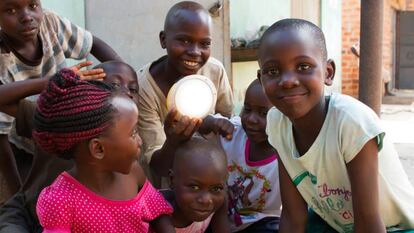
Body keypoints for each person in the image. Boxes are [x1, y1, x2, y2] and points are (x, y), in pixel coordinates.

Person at [258, 18, 414, 233]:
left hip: (395, 228)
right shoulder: (276, 123)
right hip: (336, 223)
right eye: (273, 71)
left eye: (303, 66)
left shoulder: (351, 122)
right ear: (261, 79)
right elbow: (294, 216)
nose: (288, 80)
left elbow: (369, 222)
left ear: (328, 72)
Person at [0, 63, 160, 233]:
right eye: (113, 84)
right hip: (28, 213)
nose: (126, 92)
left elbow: (153, 200)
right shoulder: (59, 120)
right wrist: (53, 82)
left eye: (133, 89)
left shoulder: (128, 139)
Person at [0, 0, 121, 197]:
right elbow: (1, 138)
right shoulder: (3, 60)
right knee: (32, 201)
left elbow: (93, 43)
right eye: (11, 10)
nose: (27, 16)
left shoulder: (50, 23)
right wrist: (17, 194)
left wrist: (122, 73)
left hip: (63, 129)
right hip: (23, 142)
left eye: (32, 5)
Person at [138, 1, 234, 187]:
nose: (194, 52)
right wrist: (173, 142)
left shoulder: (214, 71)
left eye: (204, 43)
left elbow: (228, 126)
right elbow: (157, 165)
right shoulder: (145, 88)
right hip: (166, 189)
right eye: (184, 41)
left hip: (209, 181)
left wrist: (216, 124)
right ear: (163, 39)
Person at [200, 79, 282, 232]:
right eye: (247, 109)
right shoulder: (233, 132)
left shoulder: (287, 156)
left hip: (262, 223)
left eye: (264, 113)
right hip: (220, 216)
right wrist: (211, 123)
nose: (251, 119)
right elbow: (200, 123)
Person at [161, 136, 230, 233]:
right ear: (172, 180)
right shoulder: (158, 210)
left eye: (216, 188)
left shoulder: (219, 203)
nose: (206, 200)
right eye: (194, 187)